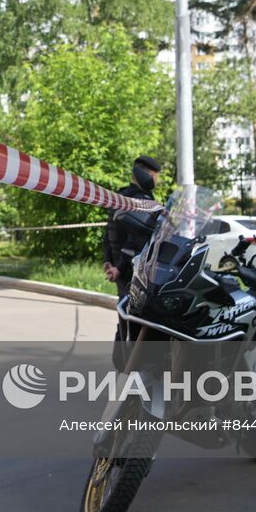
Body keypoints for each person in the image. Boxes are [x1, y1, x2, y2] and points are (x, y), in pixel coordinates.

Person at [103, 155, 161, 368]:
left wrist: (107, 261)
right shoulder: (143, 202)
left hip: (121, 269)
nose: (157, 181)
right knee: (137, 321)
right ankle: (132, 370)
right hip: (135, 271)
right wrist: (119, 266)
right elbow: (135, 241)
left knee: (125, 316)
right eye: (155, 176)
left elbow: (107, 233)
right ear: (146, 175)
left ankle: (122, 366)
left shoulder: (119, 196)